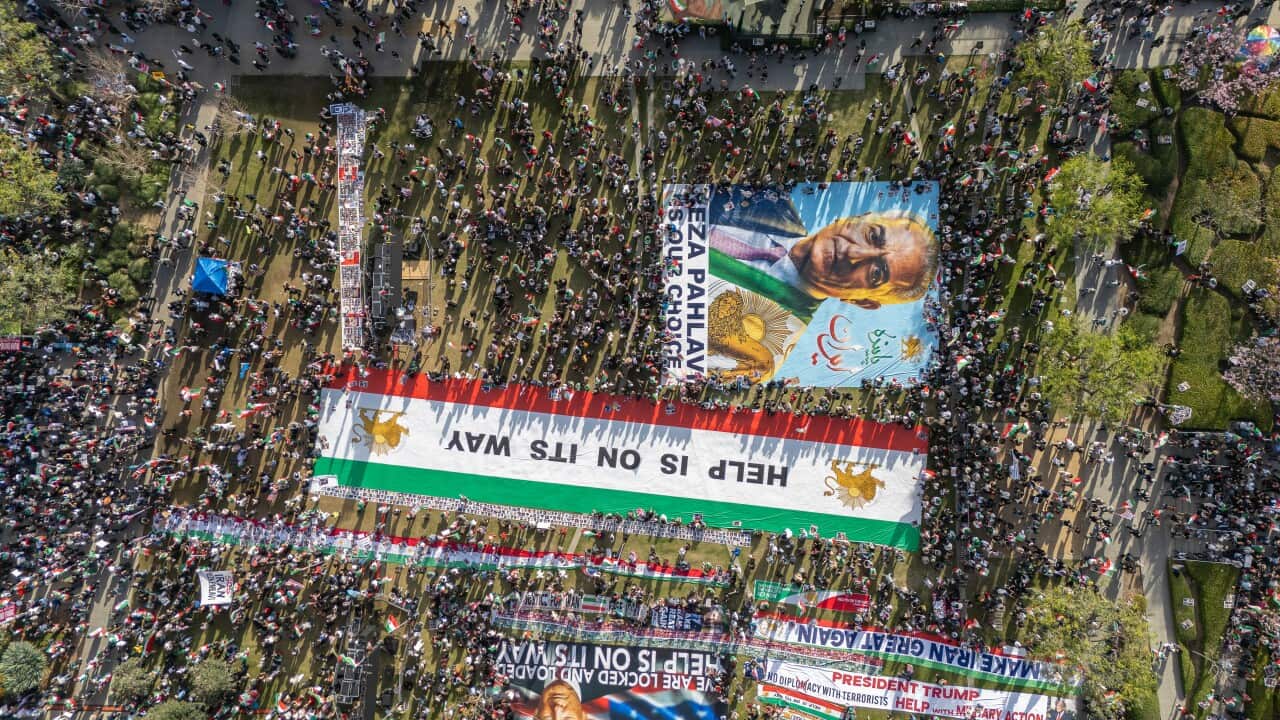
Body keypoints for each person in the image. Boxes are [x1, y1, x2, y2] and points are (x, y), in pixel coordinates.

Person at [707, 189, 939, 320]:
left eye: (877, 272)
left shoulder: (764, 338)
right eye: (873, 236)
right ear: (859, 217)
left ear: (862, 302)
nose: (854, 253)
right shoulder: (772, 202)